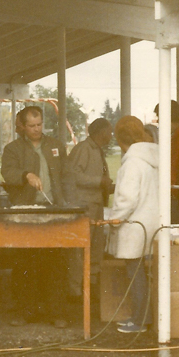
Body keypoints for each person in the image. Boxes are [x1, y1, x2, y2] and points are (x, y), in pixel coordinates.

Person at [1, 106, 69, 328]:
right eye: (31, 126)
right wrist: (25, 175)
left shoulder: (56, 145)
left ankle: (57, 312)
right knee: (25, 264)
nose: (37, 129)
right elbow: (7, 173)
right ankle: (25, 311)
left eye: (39, 124)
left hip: (54, 211)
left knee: (56, 263)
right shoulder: (12, 149)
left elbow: (66, 175)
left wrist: (67, 203)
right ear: (22, 126)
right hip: (26, 213)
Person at [105, 116, 159, 334]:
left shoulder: (132, 163)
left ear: (120, 140)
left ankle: (140, 320)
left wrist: (114, 220)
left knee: (135, 273)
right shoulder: (153, 157)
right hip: (153, 222)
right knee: (147, 274)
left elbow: (127, 199)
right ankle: (147, 318)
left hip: (135, 224)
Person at [65, 117, 114, 298]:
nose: (111, 135)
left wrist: (107, 186)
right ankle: (75, 290)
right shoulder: (83, 149)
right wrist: (98, 181)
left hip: (96, 205)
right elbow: (73, 175)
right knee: (80, 249)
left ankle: (90, 287)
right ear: (100, 132)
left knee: (95, 247)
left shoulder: (97, 150)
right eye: (109, 131)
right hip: (84, 207)